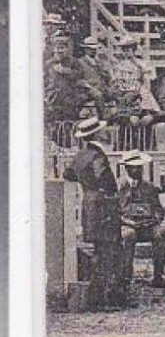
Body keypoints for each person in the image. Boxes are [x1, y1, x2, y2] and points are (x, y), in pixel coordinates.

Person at [63, 116, 125, 309]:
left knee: (96, 250)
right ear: (96, 133)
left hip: (88, 203)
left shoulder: (80, 155)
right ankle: (102, 298)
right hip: (103, 204)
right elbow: (103, 179)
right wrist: (114, 197)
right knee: (107, 250)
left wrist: (85, 183)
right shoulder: (98, 155)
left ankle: (96, 296)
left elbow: (68, 175)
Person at [117, 150, 165, 291]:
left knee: (161, 233)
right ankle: (126, 277)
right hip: (126, 226)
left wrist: (154, 220)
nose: (138, 170)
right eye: (134, 167)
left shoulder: (149, 187)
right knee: (128, 235)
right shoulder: (119, 188)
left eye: (140, 167)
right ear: (127, 168)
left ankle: (158, 277)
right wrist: (127, 222)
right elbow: (112, 212)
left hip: (147, 226)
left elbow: (159, 210)